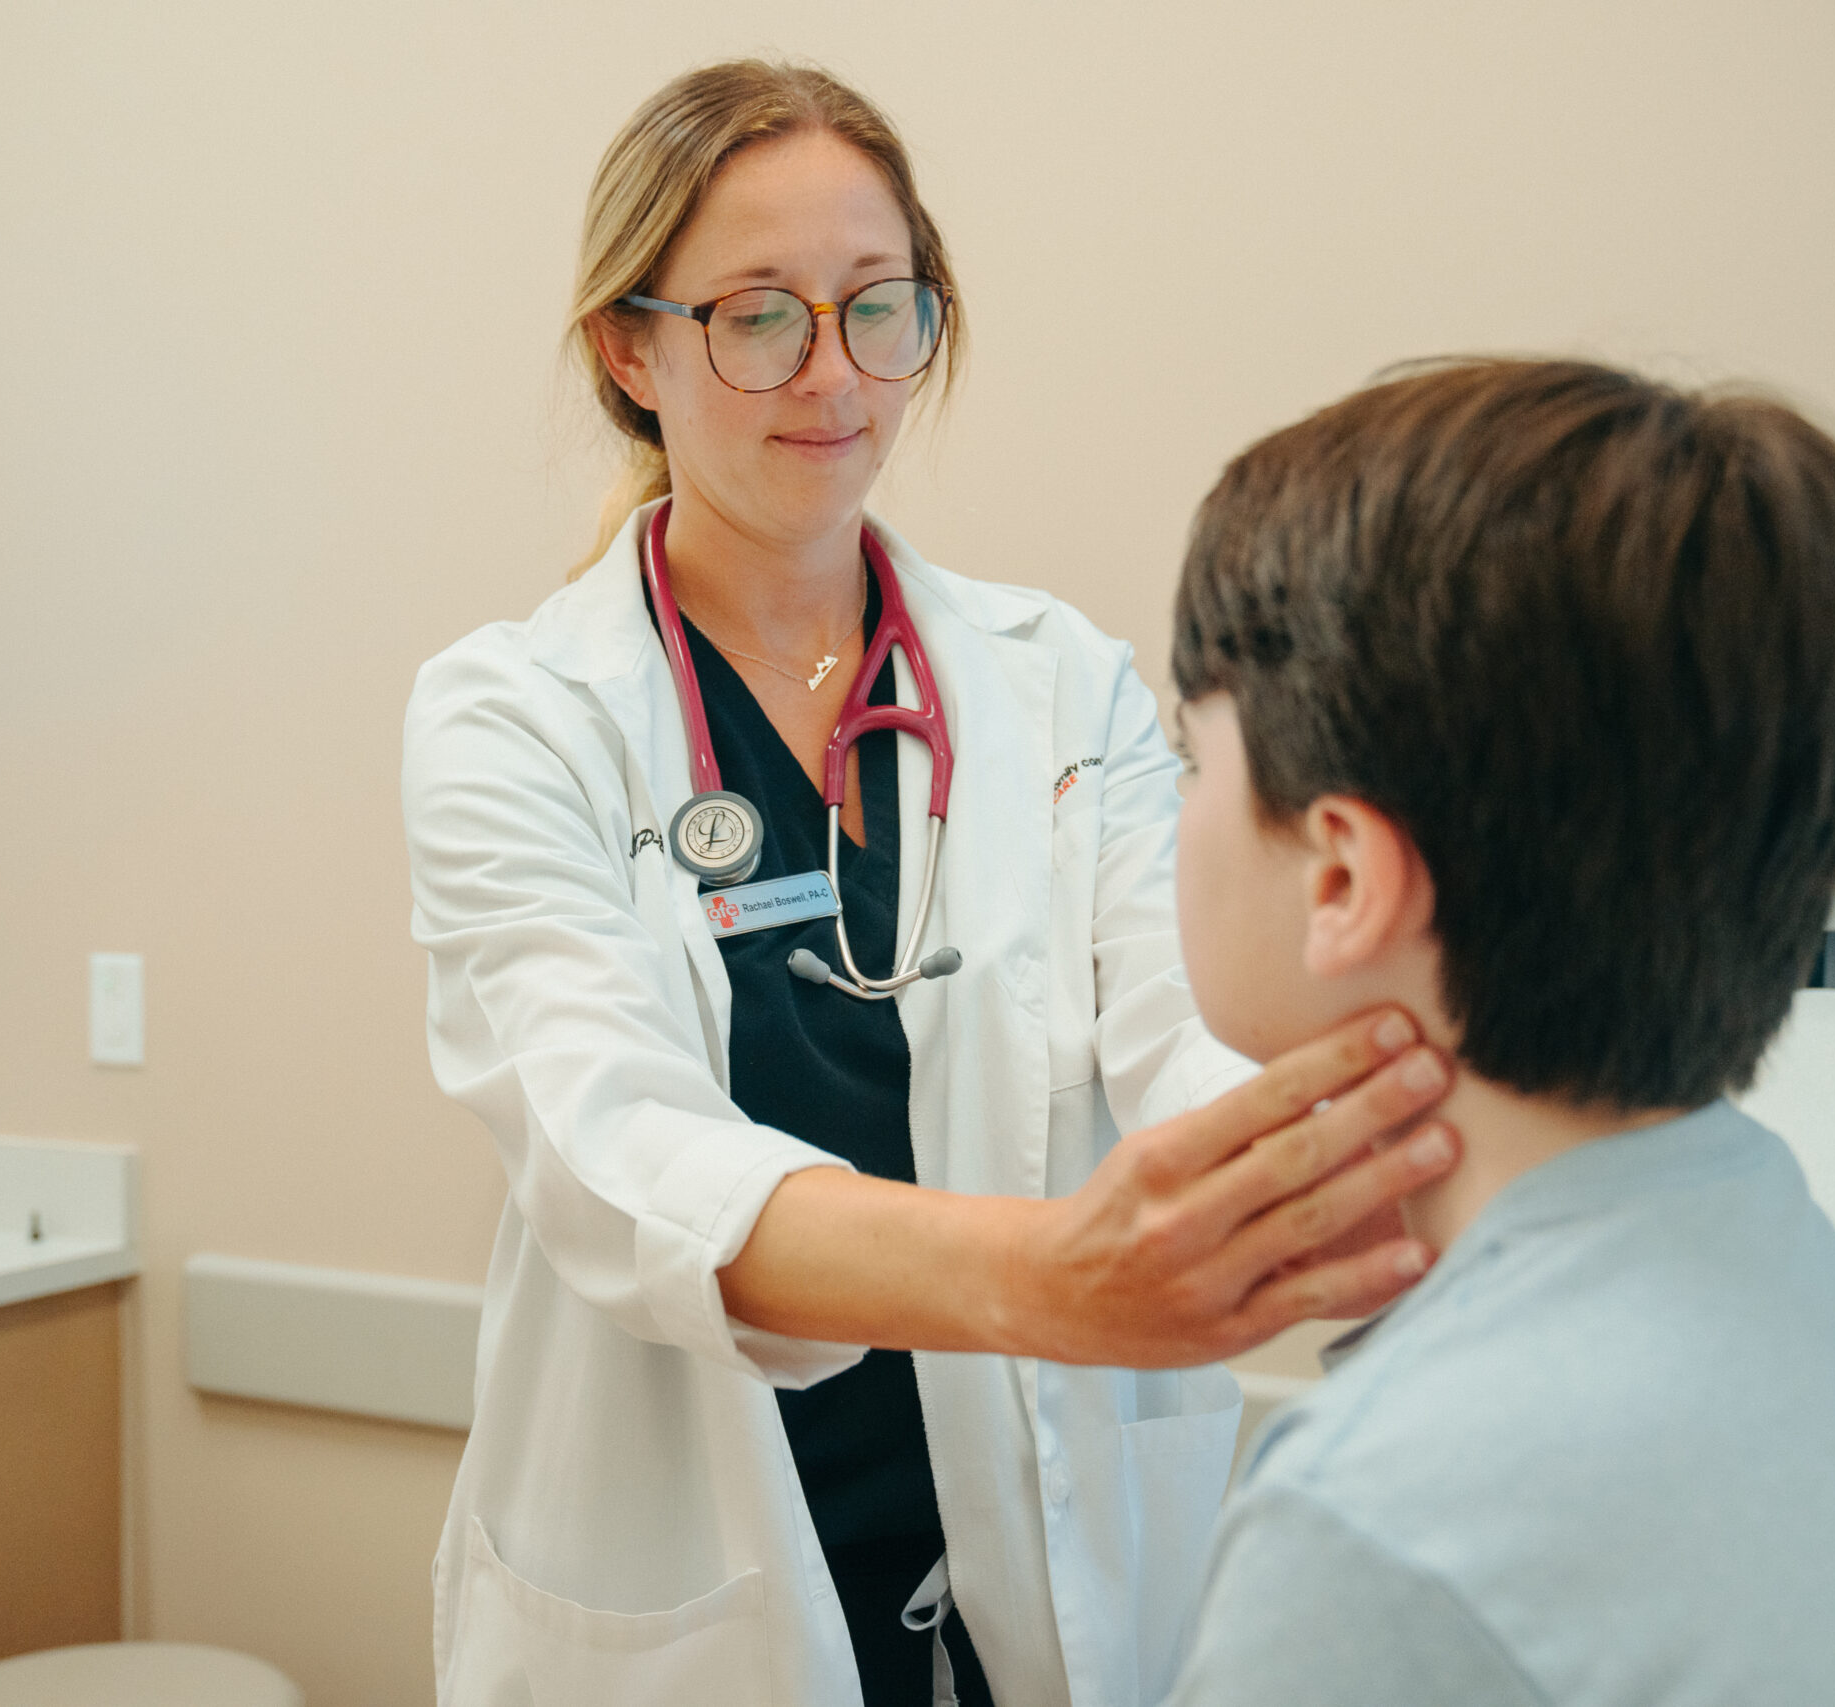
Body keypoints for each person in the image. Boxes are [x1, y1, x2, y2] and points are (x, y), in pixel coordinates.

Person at [402, 61, 1464, 1707]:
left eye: (877, 306)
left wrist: (1369, 1162)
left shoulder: (1061, 687)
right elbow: (615, 1152)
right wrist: (1054, 1281)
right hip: (699, 1596)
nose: (833, 372)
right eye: (759, 316)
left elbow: (1191, 1028)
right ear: (630, 349)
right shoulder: (516, 716)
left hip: (1029, 1585)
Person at [1160, 360, 1835, 1705]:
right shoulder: (1758, 1231)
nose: (1178, 810)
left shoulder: (1377, 1518)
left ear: (1341, 876)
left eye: (1190, 761)